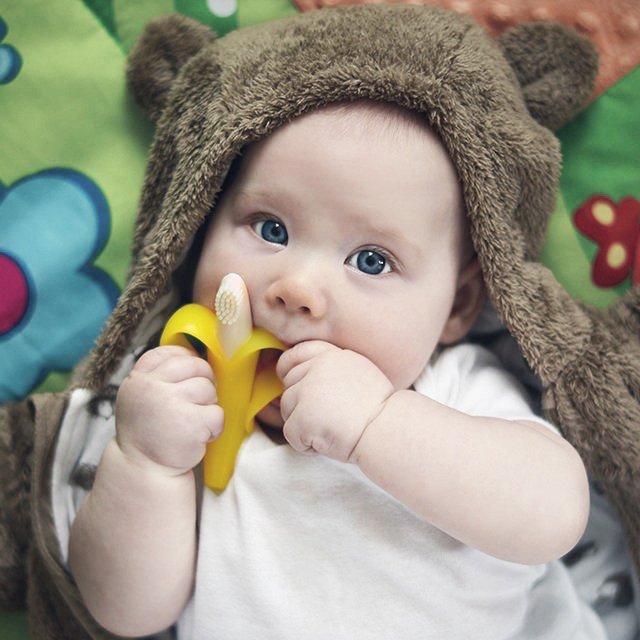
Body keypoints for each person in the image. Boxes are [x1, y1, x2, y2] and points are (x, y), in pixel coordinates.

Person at [67, 98, 604, 639]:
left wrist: (378, 422)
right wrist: (145, 464)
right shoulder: (185, 410)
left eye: (372, 260)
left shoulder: (453, 390)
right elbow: (126, 614)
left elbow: (554, 517)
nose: (296, 287)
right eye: (270, 228)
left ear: (459, 305)